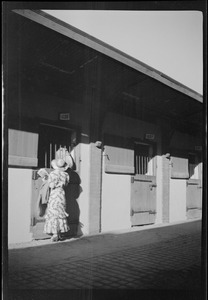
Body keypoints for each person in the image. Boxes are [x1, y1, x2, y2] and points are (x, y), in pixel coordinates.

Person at [44, 158, 70, 241]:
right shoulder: (66, 175)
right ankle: (59, 233)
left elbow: (51, 186)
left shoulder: (53, 174)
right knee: (60, 213)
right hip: (61, 194)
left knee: (53, 212)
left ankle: (55, 233)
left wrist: (45, 180)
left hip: (54, 194)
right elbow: (66, 184)